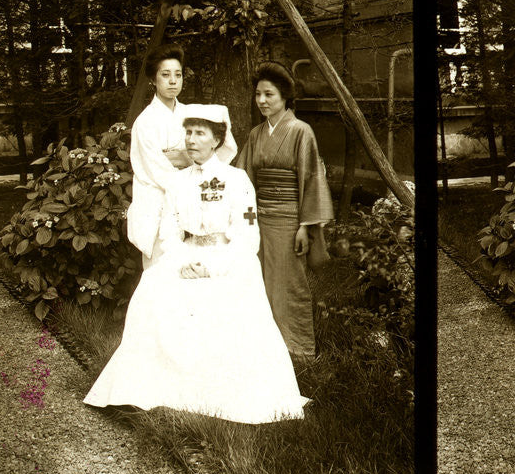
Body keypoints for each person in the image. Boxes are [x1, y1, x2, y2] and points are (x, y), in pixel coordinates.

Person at [85, 106, 308, 423]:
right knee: (151, 290)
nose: (191, 140)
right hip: (184, 256)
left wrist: (213, 268)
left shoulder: (237, 180)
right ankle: (150, 386)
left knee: (223, 302)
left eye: (199, 133)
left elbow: (248, 232)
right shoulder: (177, 183)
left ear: (217, 139)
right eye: (187, 132)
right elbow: (169, 232)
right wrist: (182, 262)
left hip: (228, 259)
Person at [235, 62, 333, 359]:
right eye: (258, 95)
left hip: (290, 220)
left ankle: (298, 349)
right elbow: (243, 178)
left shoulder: (302, 131)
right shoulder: (256, 134)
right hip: (258, 219)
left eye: (269, 95)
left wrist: (305, 225)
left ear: (285, 98)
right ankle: (266, 351)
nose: (262, 101)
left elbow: (311, 178)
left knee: (290, 285)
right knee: (259, 283)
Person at [126, 43, 237, 269]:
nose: (173, 81)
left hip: (192, 199)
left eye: (178, 75)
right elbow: (156, 170)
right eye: (165, 75)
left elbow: (219, 148)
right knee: (161, 270)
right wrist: (190, 163)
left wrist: (183, 159)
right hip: (158, 202)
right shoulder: (145, 122)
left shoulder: (191, 114)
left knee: (191, 272)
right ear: (153, 80)